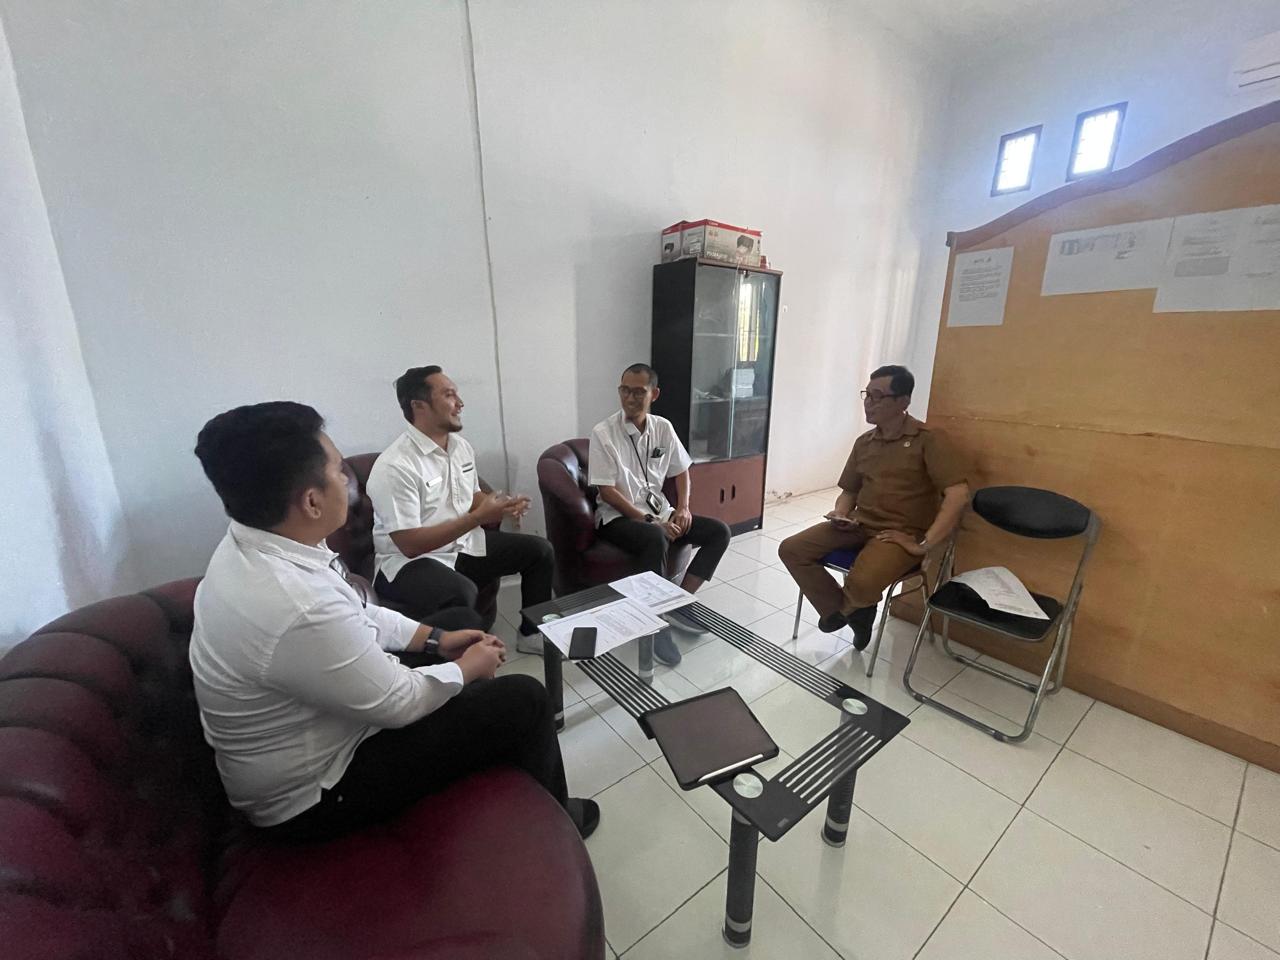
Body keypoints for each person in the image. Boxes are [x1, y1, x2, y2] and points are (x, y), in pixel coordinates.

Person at [189, 401, 598, 842]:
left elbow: (358, 611)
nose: (349, 481)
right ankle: (558, 823)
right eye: (338, 470)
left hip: (330, 723)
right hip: (318, 791)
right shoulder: (294, 604)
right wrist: (466, 669)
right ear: (311, 501)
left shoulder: (265, 546)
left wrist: (435, 639)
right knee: (525, 698)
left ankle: (485, 744)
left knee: (459, 621)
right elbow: (397, 702)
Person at [779, 365, 970, 650]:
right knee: (792, 549)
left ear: (903, 401)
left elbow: (958, 494)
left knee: (863, 581)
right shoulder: (864, 442)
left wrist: (924, 545)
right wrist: (841, 513)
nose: (869, 403)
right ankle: (853, 611)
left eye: (878, 396)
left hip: (899, 533)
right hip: (858, 524)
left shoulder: (928, 439)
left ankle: (846, 611)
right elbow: (849, 491)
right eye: (867, 395)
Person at [367, 366, 554, 655]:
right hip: (410, 564)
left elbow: (472, 496)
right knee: (461, 591)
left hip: (460, 545)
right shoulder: (395, 466)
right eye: (449, 395)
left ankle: (531, 634)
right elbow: (410, 544)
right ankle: (462, 665)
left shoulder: (460, 447)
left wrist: (501, 506)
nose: (460, 403)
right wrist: (477, 518)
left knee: (540, 551)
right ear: (419, 406)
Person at [589, 363, 731, 667]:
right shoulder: (603, 433)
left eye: (638, 392)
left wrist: (683, 508)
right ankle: (653, 623)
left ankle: (678, 603)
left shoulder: (662, 427)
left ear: (654, 394)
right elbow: (607, 492)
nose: (630, 398)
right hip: (618, 518)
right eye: (625, 390)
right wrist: (649, 521)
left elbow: (682, 470)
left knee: (719, 532)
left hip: (661, 513)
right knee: (655, 536)